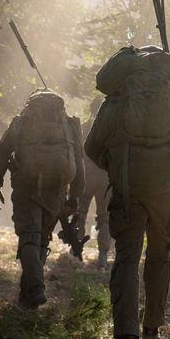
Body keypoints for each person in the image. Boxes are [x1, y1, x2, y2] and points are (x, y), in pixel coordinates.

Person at [85, 46, 170, 339]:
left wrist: (118, 163)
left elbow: (91, 148)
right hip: (166, 196)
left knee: (126, 261)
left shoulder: (116, 101)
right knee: (159, 258)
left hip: (127, 193)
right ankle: (152, 336)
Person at [0, 89, 85, 309]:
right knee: (41, 237)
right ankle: (28, 297)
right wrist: (75, 196)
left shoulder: (21, 123)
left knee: (29, 235)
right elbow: (79, 163)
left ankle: (34, 289)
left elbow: (2, 153)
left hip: (27, 185)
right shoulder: (69, 125)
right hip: (57, 187)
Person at [74, 97, 112, 269]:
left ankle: (77, 249)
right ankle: (103, 255)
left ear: (91, 110)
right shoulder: (112, 130)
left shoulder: (84, 128)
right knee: (105, 216)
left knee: (80, 210)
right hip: (106, 177)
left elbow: (76, 154)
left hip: (87, 175)